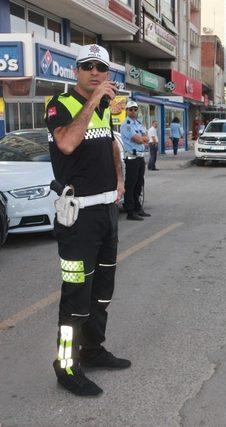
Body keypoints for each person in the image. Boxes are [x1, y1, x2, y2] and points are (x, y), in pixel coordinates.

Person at [45, 44, 130, 397]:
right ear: (76, 70)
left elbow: (110, 144)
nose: (95, 73)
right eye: (87, 66)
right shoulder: (58, 104)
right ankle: (66, 365)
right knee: (76, 295)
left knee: (101, 293)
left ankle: (92, 350)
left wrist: (120, 178)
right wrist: (93, 101)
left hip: (107, 213)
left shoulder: (109, 109)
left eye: (101, 68)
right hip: (77, 217)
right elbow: (66, 144)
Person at [120, 100, 151, 220]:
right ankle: (130, 212)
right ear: (126, 111)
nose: (133, 111)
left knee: (139, 184)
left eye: (135, 109)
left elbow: (147, 138)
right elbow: (138, 139)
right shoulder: (126, 125)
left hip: (140, 157)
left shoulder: (138, 123)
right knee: (131, 185)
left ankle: (138, 208)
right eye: (130, 109)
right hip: (132, 158)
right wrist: (143, 138)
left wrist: (143, 138)